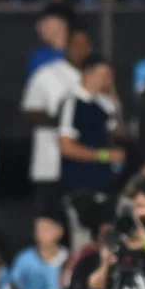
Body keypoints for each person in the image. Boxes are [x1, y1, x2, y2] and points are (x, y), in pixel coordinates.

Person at [21, 28, 94, 205]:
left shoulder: (97, 76)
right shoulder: (46, 74)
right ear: (66, 47)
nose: (80, 49)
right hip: (50, 166)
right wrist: (67, 121)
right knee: (49, 225)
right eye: (76, 44)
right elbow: (30, 112)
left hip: (87, 167)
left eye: (85, 45)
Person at [57, 54, 124, 195]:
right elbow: (66, 147)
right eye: (104, 76)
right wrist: (104, 155)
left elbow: (118, 132)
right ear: (88, 74)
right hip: (79, 183)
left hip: (104, 182)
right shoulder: (72, 102)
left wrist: (115, 102)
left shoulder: (103, 104)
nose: (108, 81)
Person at [10, 209, 69, 289]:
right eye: (37, 229)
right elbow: (15, 288)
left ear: (60, 231)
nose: (40, 234)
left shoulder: (70, 259)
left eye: (46, 230)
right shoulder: (24, 259)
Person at [27, 3, 71, 78]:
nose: (39, 27)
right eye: (39, 23)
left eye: (46, 21)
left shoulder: (81, 54)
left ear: (62, 23)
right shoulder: (39, 57)